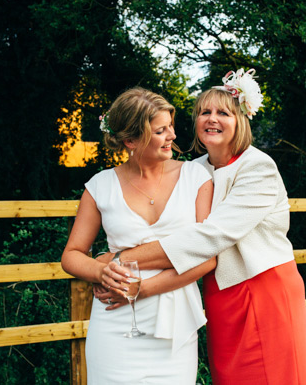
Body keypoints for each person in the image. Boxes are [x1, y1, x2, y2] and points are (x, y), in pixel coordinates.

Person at [102, 70, 306, 384]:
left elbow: (211, 235)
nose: (212, 119)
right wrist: (107, 257)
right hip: (218, 291)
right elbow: (163, 221)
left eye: (223, 112)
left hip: (264, 287)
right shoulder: (193, 170)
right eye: (204, 112)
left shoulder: (258, 167)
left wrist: (122, 260)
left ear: (240, 120)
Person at [60, 87, 215, 384]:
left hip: (174, 328)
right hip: (114, 325)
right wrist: (101, 270)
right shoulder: (100, 185)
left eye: (170, 126)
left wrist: (142, 288)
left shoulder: (196, 178)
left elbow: (207, 258)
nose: (171, 135)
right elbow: (71, 254)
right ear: (131, 141)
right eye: (160, 130)